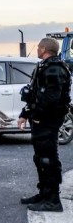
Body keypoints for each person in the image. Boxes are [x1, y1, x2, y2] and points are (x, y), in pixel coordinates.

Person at [17, 37, 71, 212]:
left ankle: (53, 200)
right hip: (40, 120)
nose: (38, 50)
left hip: (48, 121)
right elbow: (34, 93)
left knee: (48, 160)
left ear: (44, 49)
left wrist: (38, 116)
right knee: (40, 158)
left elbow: (51, 99)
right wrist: (24, 114)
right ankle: (44, 193)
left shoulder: (55, 69)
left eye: (39, 47)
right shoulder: (43, 67)